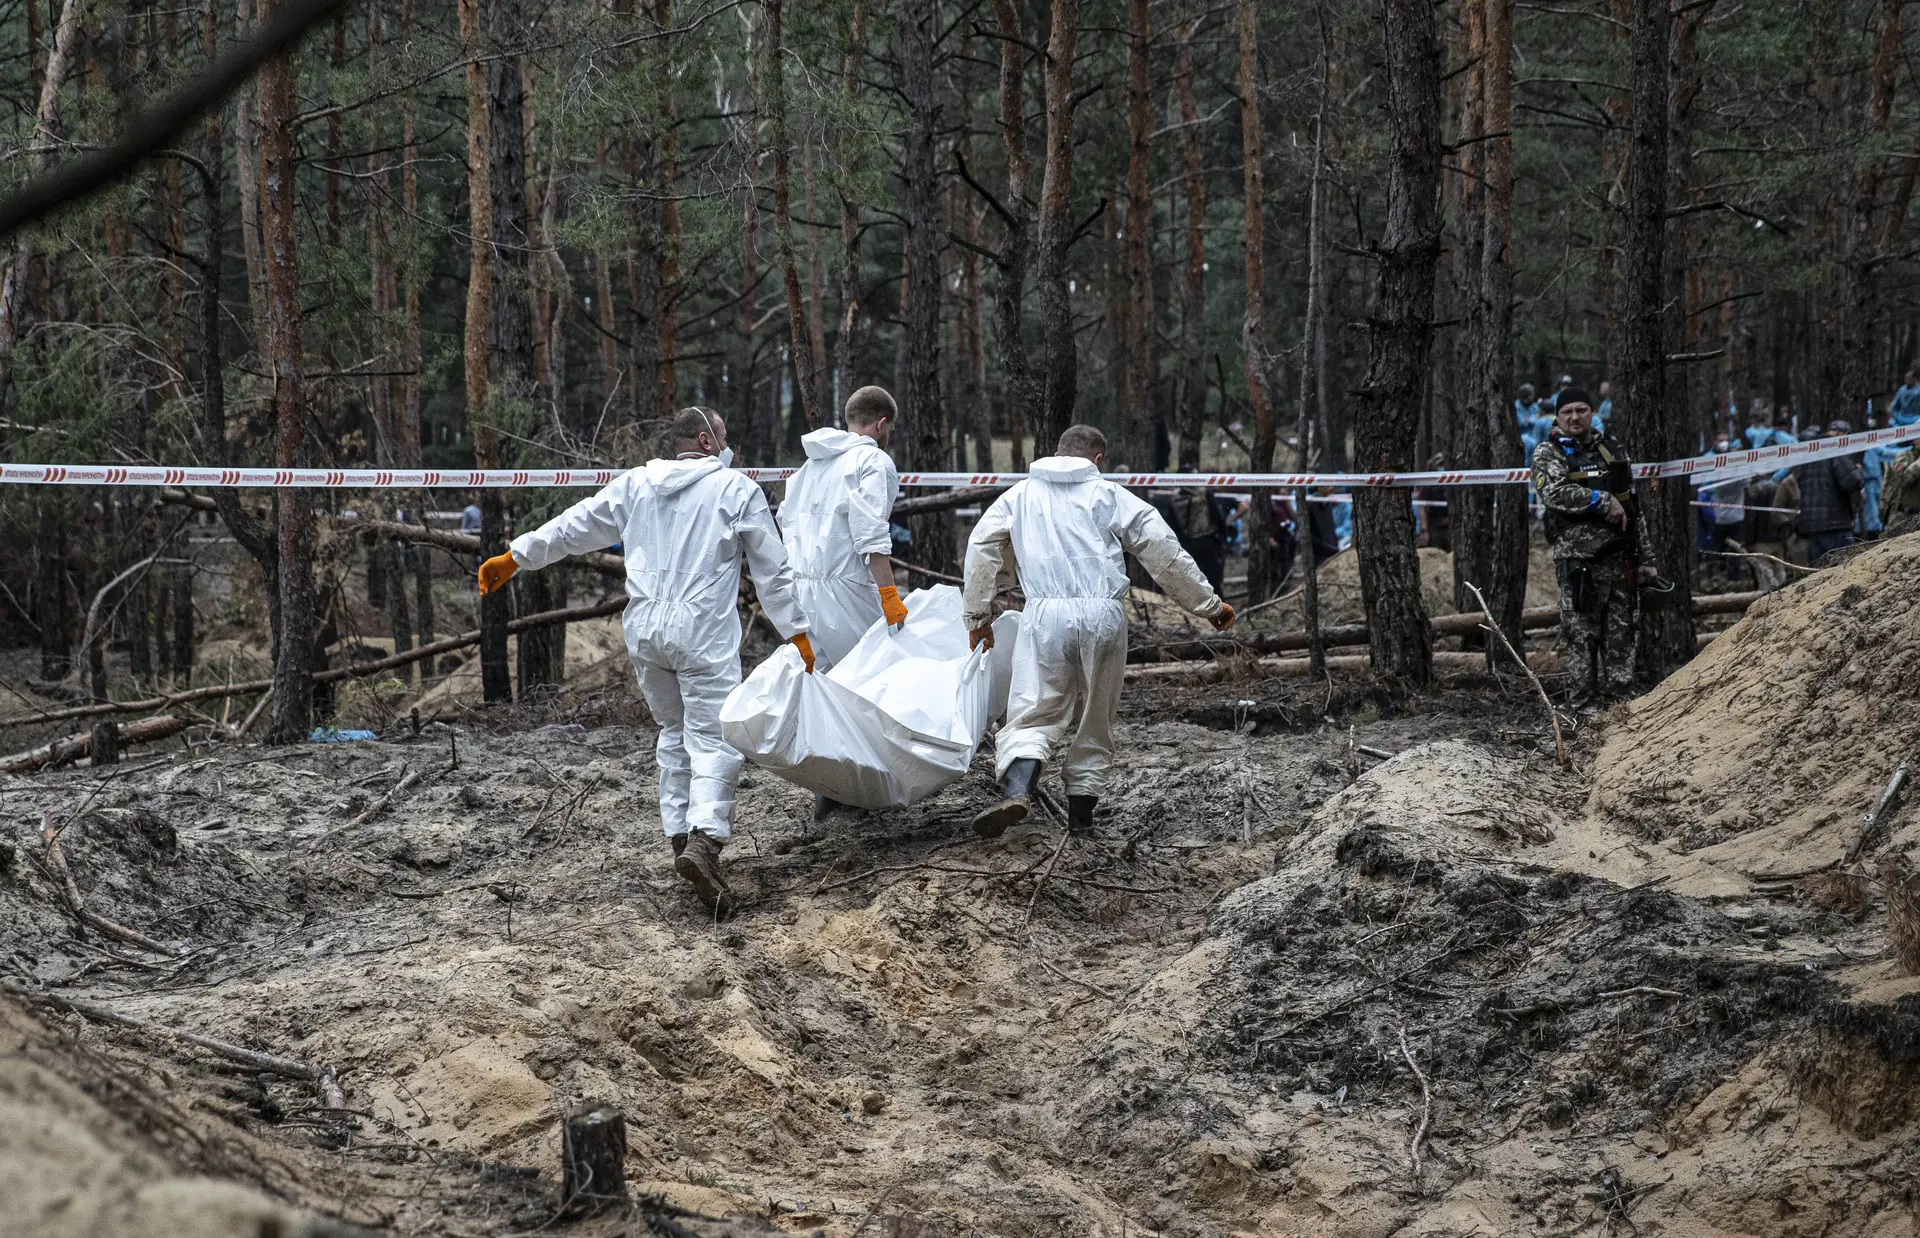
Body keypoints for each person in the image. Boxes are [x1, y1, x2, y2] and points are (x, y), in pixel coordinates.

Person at [476, 407, 814, 915]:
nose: (730, 447)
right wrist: (799, 634)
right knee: (714, 736)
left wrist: (517, 555)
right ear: (705, 440)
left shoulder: (636, 485)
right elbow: (773, 571)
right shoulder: (734, 489)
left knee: (673, 734)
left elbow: (575, 526)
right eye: (724, 437)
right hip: (701, 632)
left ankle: (679, 838)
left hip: (645, 631)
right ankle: (705, 844)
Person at [962, 425, 1234, 837]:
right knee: (1095, 718)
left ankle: (1016, 791)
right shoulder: (1109, 495)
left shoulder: (1018, 497)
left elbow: (981, 547)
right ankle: (1081, 822)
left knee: (1034, 708)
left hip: (1044, 615)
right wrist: (1207, 605)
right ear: (1097, 460)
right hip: (1103, 616)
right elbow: (1162, 549)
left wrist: (978, 616)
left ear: (1055, 454)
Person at [1530, 386, 1659, 710]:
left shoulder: (1611, 449)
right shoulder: (1548, 453)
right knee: (1581, 635)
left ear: (1592, 412)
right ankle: (1582, 708)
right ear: (1558, 417)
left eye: (1581, 410)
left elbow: (1633, 506)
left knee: (1622, 633)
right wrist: (1601, 501)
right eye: (1567, 411)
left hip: (1620, 558)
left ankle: (1621, 705)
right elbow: (1554, 493)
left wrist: (1646, 557)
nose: (1575, 416)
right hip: (1580, 561)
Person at [779, 385, 906, 670]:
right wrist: (889, 595)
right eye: (890, 429)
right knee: (870, 681)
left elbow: (785, 523)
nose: (888, 436)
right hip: (845, 593)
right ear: (881, 424)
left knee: (818, 687)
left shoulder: (810, 466)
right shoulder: (873, 461)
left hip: (801, 592)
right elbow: (871, 533)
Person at [1795, 418, 1864, 563]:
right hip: (1835, 522)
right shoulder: (1834, 451)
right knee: (1844, 567)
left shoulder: (1809, 454)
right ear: (1843, 435)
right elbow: (1852, 482)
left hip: (1811, 524)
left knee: (1819, 572)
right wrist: (1857, 471)